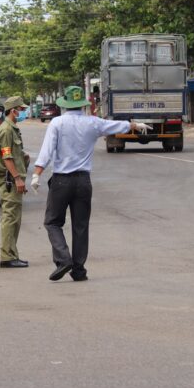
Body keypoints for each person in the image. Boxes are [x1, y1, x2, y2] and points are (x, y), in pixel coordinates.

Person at [31, 86, 142, 281]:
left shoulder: (57, 123)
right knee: (80, 225)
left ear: (65, 104)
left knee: (52, 222)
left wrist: (36, 174)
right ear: (83, 104)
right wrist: (134, 125)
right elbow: (114, 125)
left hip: (61, 181)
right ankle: (79, 270)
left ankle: (64, 258)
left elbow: (47, 151)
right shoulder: (93, 123)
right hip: (83, 181)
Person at [0, 96, 30, 268]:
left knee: (14, 219)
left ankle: (11, 254)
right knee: (10, 218)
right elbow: (7, 157)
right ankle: (7, 257)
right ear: (13, 110)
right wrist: (17, 178)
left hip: (14, 180)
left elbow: (14, 155)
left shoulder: (12, 128)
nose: (23, 112)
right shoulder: (7, 130)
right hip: (10, 181)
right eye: (21, 109)